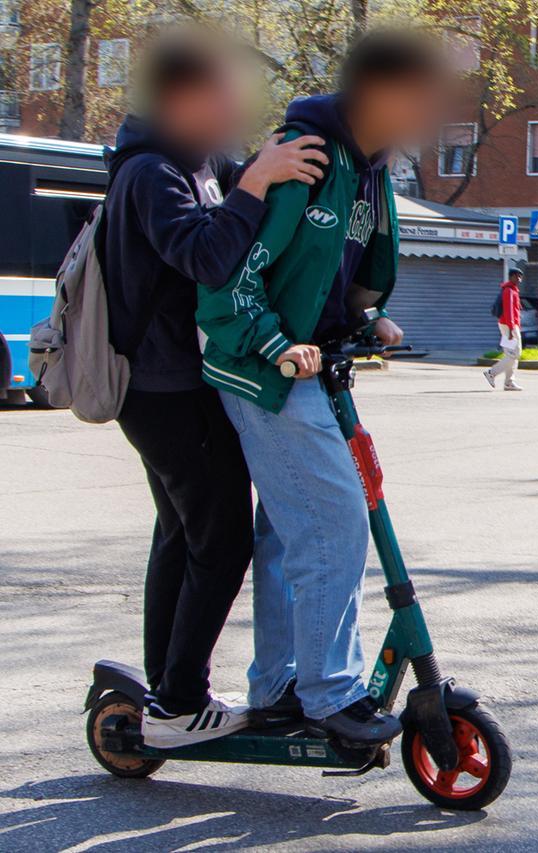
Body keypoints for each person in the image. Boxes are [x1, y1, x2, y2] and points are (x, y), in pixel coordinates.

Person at [195, 29, 441, 746]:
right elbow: (226, 279)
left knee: (285, 532)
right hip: (261, 369)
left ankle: (277, 683)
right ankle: (327, 690)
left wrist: (368, 312)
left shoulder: (369, 168)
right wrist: (276, 342)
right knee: (334, 520)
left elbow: (335, 267)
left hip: (312, 366)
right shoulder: (302, 156)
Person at [101, 28, 330, 747]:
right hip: (165, 390)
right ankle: (178, 701)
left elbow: (247, 218)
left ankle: (169, 685)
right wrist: (255, 182)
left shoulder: (193, 164)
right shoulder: (151, 174)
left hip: (171, 383)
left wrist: (263, 172)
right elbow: (206, 257)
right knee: (220, 539)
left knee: (179, 533)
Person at [484, 268, 524, 392]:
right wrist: (512, 328)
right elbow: (509, 311)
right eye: (517, 276)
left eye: (520, 277)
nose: (519, 279)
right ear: (511, 277)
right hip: (508, 326)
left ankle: (509, 382)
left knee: (512, 355)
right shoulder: (509, 291)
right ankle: (492, 373)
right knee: (515, 353)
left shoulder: (512, 290)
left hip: (510, 325)